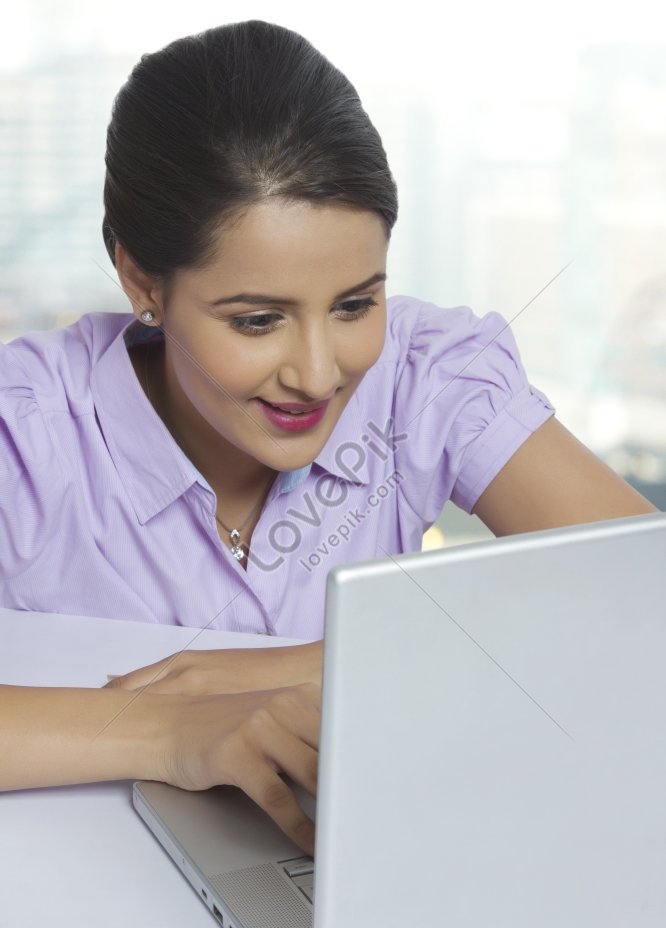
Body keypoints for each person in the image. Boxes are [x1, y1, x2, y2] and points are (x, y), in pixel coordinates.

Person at [0, 21, 658, 855]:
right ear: (142, 282)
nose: (316, 374)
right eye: (258, 320)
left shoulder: (429, 374)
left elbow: (644, 598)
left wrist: (324, 663)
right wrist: (167, 732)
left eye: (355, 305)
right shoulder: (26, 429)